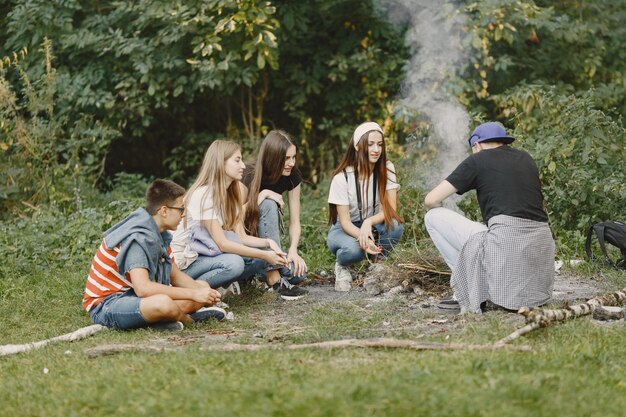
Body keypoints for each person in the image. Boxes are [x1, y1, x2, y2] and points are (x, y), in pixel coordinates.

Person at [424, 122, 555, 314]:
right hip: (541, 247)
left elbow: (431, 199)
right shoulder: (526, 158)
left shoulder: (478, 160)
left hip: (505, 243)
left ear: (476, 145)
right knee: (489, 232)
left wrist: (441, 208)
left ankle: (468, 289)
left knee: (433, 216)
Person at [170, 140, 305, 300]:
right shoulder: (203, 194)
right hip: (183, 265)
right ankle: (187, 290)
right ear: (221, 163)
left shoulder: (231, 194)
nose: (243, 165)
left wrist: (269, 244)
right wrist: (266, 256)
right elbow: (223, 243)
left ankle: (220, 285)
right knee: (234, 264)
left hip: (208, 255)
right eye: (237, 160)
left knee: (262, 260)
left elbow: (241, 237)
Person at [83, 179, 225, 331]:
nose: (184, 215)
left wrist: (203, 293)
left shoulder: (159, 234)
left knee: (202, 287)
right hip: (106, 305)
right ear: (164, 211)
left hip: (131, 296)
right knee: (164, 303)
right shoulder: (138, 238)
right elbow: (143, 288)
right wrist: (193, 294)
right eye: (181, 210)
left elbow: (175, 276)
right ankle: (189, 320)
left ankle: (163, 320)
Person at [327, 121, 404, 291]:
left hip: (372, 223)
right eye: (370, 144)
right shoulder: (342, 178)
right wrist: (363, 236)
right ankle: (341, 266)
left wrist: (368, 222)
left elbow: (390, 210)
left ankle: (377, 264)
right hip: (344, 228)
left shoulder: (387, 168)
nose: (376, 149)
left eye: (379, 144)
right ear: (357, 146)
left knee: (396, 226)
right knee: (355, 251)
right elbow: (345, 221)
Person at [242, 130, 309, 297]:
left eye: (293, 157)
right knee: (269, 204)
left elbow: (295, 222)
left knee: (299, 273)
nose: (291, 163)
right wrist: (262, 195)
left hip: (271, 249)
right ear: (272, 157)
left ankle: (264, 273)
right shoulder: (247, 175)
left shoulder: (292, 176)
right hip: (246, 246)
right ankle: (272, 277)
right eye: (286, 158)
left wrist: (293, 251)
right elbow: (233, 219)